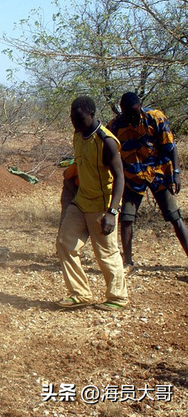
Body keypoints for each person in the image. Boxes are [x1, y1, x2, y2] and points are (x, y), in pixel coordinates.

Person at [56, 96, 128, 312]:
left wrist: (112, 212)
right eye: (72, 118)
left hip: (101, 205)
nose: (74, 122)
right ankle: (80, 294)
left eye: (78, 118)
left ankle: (118, 297)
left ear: (92, 114)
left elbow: (120, 177)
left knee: (106, 253)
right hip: (81, 201)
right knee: (65, 243)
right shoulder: (78, 135)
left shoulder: (106, 141)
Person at [108, 91, 187, 274]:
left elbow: (170, 146)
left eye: (135, 112)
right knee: (127, 219)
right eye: (128, 113)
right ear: (122, 110)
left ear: (140, 106)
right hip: (132, 176)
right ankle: (128, 263)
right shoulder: (115, 126)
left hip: (158, 173)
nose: (133, 116)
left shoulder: (155, 118)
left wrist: (176, 172)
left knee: (175, 218)